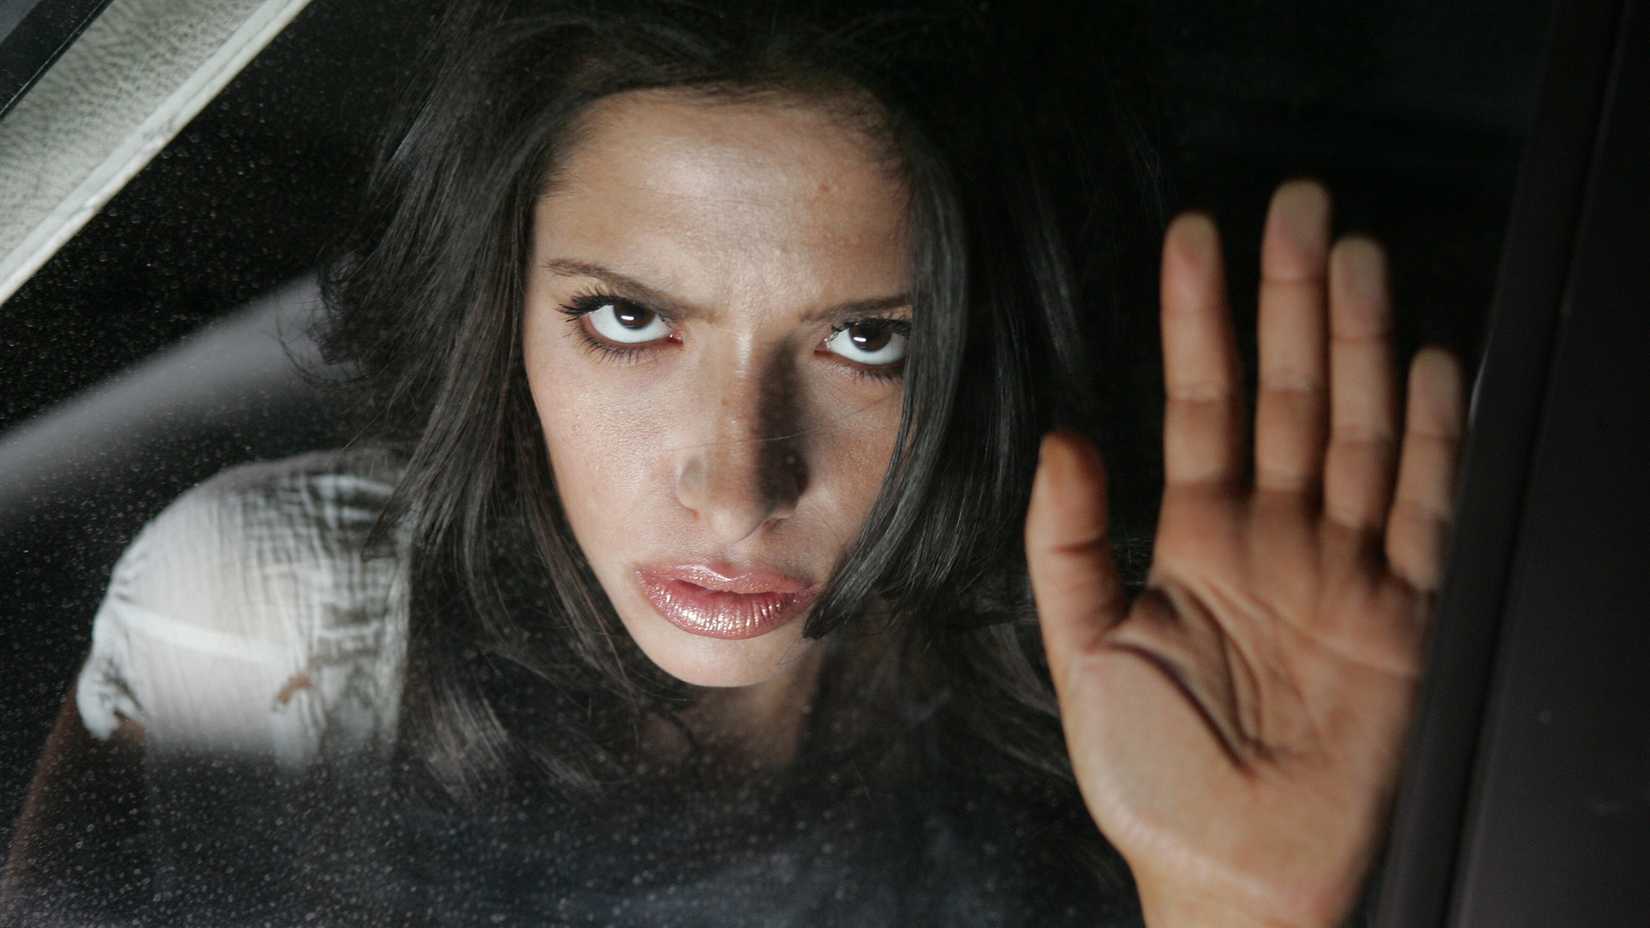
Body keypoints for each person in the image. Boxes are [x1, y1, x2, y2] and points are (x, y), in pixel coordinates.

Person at [2, 1, 1465, 925]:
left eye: (867, 342)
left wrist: (1233, 907)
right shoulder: (278, 619)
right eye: (629, 320)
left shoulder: (1142, 679)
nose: (738, 484)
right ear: (496, 313)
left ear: (985, 351)